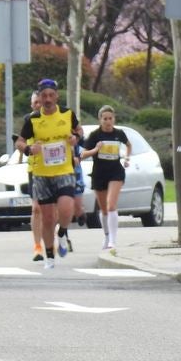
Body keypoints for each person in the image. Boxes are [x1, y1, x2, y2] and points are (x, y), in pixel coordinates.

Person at [15, 79, 83, 270]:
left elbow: (79, 130)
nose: (47, 99)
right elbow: (19, 142)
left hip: (64, 170)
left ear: (56, 96)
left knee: (66, 207)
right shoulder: (33, 120)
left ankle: (62, 232)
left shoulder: (67, 114)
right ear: (39, 97)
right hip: (42, 173)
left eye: (50, 95)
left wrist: (75, 138)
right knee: (46, 218)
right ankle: (50, 256)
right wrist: (28, 148)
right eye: (43, 96)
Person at [81, 105, 132, 254]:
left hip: (116, 172)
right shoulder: (95, 135)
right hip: (99, 173)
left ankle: (112, 241)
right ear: (100, 120)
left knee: (111, 205)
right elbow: (83, 154)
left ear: (114, 119)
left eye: (110, 118)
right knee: (103, 209)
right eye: (105, 119)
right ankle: (106, 235)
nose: (108, 122)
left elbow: (128, 145)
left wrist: (127, 157)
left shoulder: (119, 133)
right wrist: (96, 150)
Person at [15, 92, 46, 261]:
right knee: (36, 208)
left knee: (50, 210)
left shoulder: (55, 118)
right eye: (35, 102)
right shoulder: (29, 120)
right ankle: (37, 247)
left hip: (54, 169)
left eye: (40, 102)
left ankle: (54, 235)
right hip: (34, 168)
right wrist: (28, 149)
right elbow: (20, 142)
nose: (38, 105)